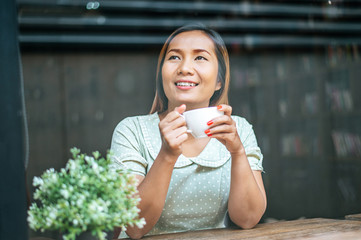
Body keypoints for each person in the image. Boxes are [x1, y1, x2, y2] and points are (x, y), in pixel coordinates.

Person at [110, 23, 266, 239]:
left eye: (200, 57)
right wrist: (166, 155)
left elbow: (247, 219)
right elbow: (134, 227)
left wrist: (237, 152)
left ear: (219, 80)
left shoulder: (239, 129)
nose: (184, 68)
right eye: (174, 57)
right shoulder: (131, 130)